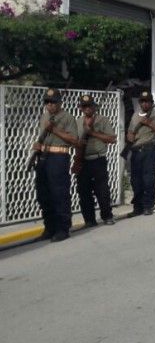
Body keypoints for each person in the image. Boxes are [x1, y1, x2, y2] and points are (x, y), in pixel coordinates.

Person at [33, 88, 79, 242]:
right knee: (43, 194)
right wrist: (38, 146)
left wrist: (55, 130)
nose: (50, 105)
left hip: (58, 157)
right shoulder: (45, 116)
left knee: (59, 193)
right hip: (44, 157)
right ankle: (50, 226)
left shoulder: (67, 118)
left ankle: (62, 228)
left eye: (53, 102)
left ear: (60, 102)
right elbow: (43, 137)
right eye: (47, 102)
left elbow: (74, 140)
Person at [74, 94, 117, 227]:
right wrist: (77, 159)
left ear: (94, 107)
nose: (87, 109)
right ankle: (89, 220)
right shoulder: (77, 122)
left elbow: (112, 139)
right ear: (81, 108)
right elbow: (75, 141)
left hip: (98, 159)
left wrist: (92, 133)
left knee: (102, 190)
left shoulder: (102, 120)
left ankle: (107, 216)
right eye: (84, 106)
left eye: (89, 106)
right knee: (83, 191)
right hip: (83, 160)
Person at [127, 90, 155, 217]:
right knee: (135, 180)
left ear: (151, 103)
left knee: (149, 180)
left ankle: (148, 206)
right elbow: (130, 132)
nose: (145, 104)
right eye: (142, 101)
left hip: (149, 150)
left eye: (147, 102)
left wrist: (150, 124)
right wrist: (130, 136)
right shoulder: (135, 115)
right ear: (139, 102)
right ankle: (137, 207)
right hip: (136, 151)